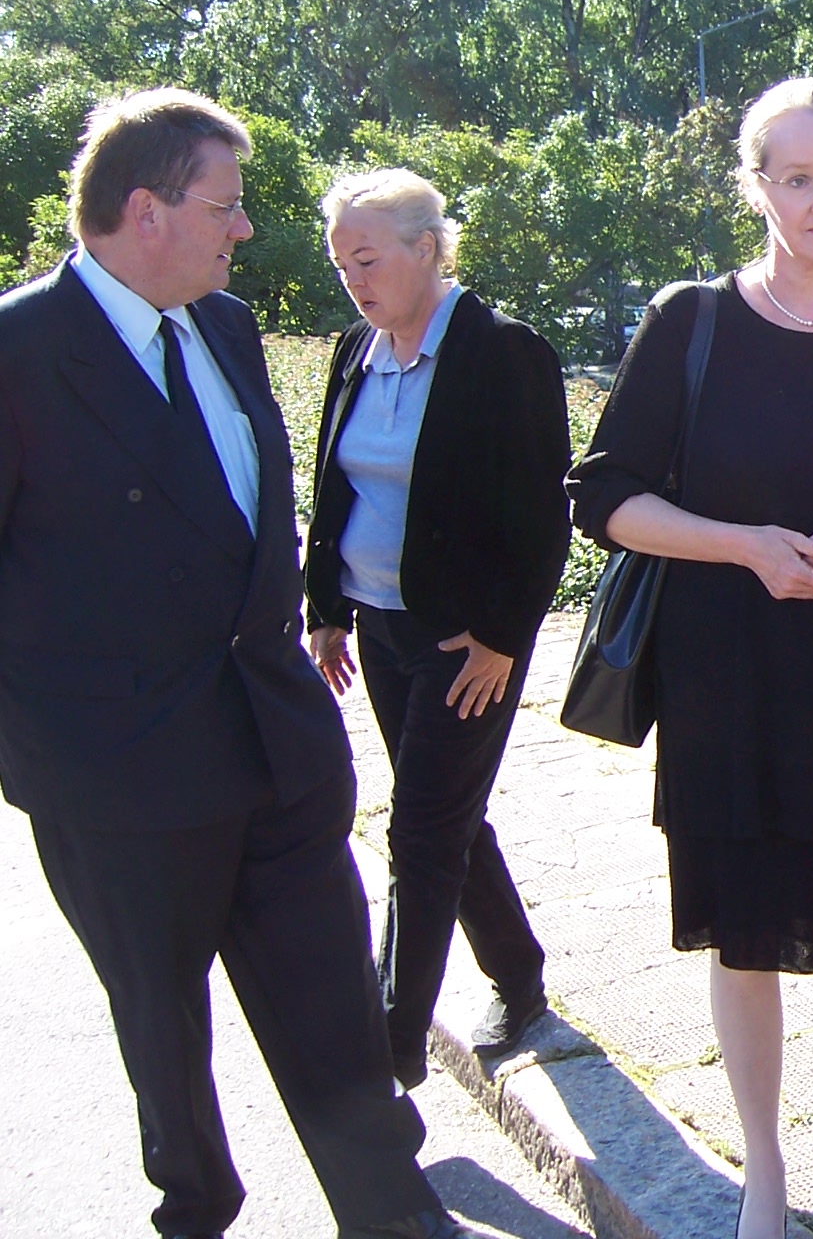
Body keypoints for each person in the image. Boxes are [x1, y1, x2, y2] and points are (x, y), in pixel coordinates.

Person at [0, 89, 476, 1239]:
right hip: (118, 779)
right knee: (163, 1031)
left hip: (275, 744)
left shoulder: (223, 326)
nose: (245, 228)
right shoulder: (17, 352)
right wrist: (40, 752)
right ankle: (197, 1207)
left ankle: (394, 1216)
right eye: (226, 205)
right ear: (147, 211)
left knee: (334, 1012)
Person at [566, 77, 813, 1239]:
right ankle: (762, 1175)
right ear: (754, 187)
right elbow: (604, 497)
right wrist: (742, 546)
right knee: (741, 937)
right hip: (725, 682)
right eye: (798, 178)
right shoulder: (690, 321)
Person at [304, 169, 571, 1089]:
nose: (354, 281)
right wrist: (326, 608)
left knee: (419, 830)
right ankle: (520, 975)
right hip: (379, 628)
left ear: (426, 248)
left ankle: (391, 1054)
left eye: (367, 260)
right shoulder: (357, 351)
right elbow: (332, 484)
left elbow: (542, 515)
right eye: (342, 265)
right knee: (447, 813)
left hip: (466, 643)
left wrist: (502, 637)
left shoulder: (502, 352)